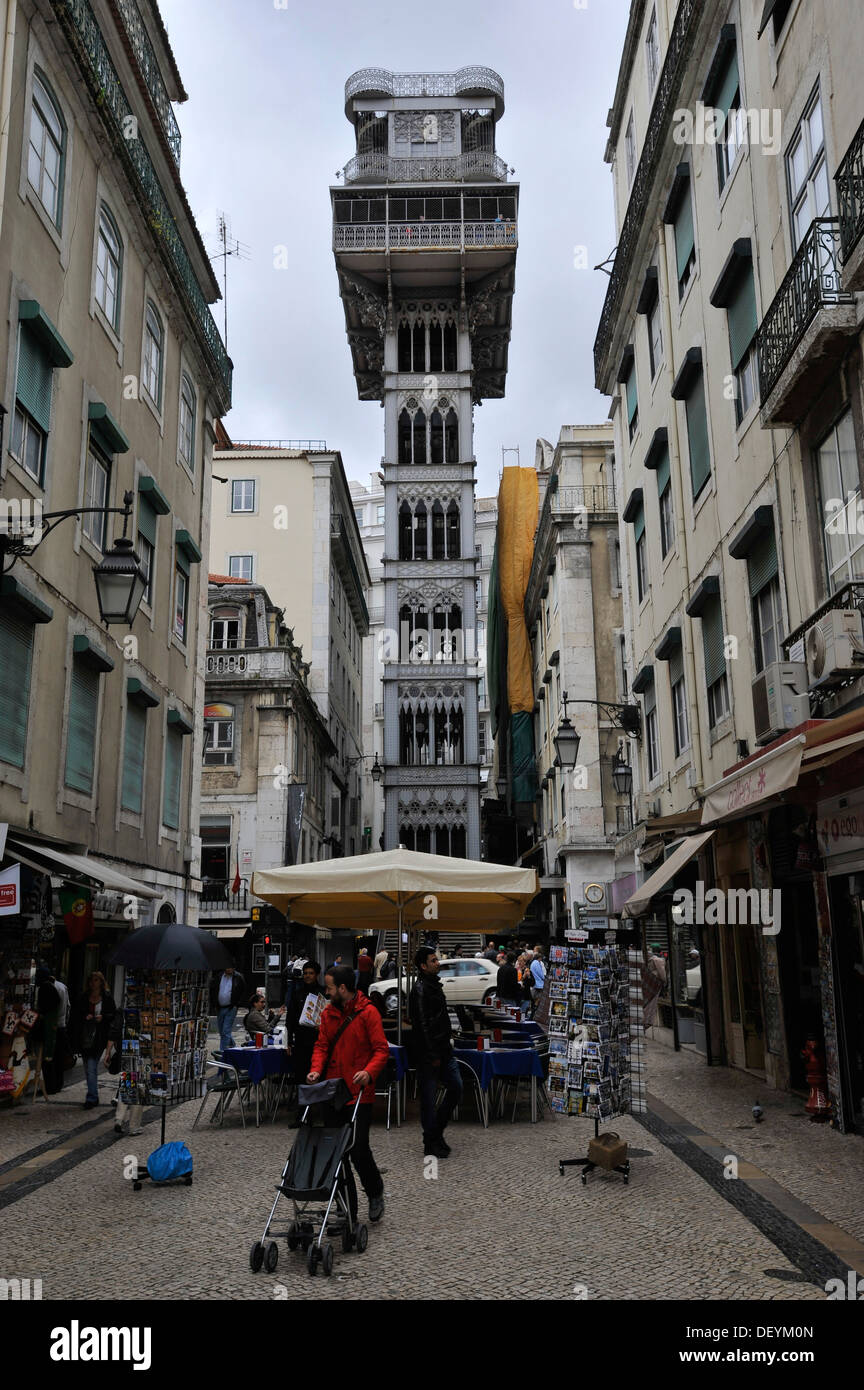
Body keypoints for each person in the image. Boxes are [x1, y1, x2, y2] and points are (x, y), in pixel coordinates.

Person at [308, 964, 389, 1224]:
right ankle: (344, 1206)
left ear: (342, 988)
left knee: (358, 1148)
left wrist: (368, 1072)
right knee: (336, 1151)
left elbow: (380, 1050)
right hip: (333, 1090)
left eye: (330, 987)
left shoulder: (369, 1013)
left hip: (358, 1092)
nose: (326, 991)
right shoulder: (328, 1013)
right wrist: (315, 1070)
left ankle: (375, 1191)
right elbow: (321, 1045)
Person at [409, 946, 463, 1160]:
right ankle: (430, 1141)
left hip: (443, 1049)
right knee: (429, 1100)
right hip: (429, 1053)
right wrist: (432, 1054)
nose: (438, 963)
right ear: (423, 966)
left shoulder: (434, 986)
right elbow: (421, 1024)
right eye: (433, 961)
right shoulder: (421, 989)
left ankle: (436, 1132)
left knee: (456, 1087)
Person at [286, 960, 327, 1125]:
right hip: (302, 1041)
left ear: (317, 974)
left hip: (319, 1041)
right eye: (306, 973)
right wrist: (289, 1041)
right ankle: (302, 1116)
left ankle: (324, 1114)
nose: (308, 976)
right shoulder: (297, 994)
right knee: (302, 1078)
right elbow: (290, 1019)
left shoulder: (324, 993)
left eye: (311, 973)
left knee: (322, 1077)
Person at [74, 971, 117, 1109]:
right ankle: (93, 1095)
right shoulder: (84, 997)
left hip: (99, 1036)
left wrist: (103, 1017)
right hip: (85, 1036)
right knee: (88, 1067)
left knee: (91, 1066)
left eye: (97, 980)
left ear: (101, 982)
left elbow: (113, 1015)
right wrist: (85, 1016)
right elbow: (76, 1013)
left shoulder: (107, 998)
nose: (94, 982)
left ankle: (92, 1097)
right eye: (92, 980)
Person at [32, 968, 60, 1094]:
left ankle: (48, 1086)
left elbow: (45, 1006)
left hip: (45, 1028)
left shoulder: (45, 988)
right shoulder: (53, 987)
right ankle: (50, 1086)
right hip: (50, 1027)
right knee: (48, 1060)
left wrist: (41, 1014)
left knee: (45, 1060)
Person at [212, 964, 246, 1055]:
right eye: (227, 967)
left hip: (231, 1007)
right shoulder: (219, 976)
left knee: (225, 1031)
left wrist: (237, 1004)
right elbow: (214, 989)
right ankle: (233, 1046)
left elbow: (243, 991)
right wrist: (214, 1004)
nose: (229, 969)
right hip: (220, 1007)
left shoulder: (238, 977)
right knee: (222, 1032)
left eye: (231, 967)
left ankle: (223, 1054)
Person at [643, 944, 668, 1029]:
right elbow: (662, 973)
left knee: (650, 1002)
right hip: (656, 983)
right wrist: (665, 982)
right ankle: (648, 1021)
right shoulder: (658, 960)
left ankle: (647, 1021)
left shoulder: (649, 959)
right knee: (653, 1002)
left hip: (649, 982)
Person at [529, 946, 547, 1011]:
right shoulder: (537, 963)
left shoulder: (533, 962)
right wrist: (544, 978)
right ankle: (535, 1008)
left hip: (535, 982)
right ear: (539, 958)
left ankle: (533, 1007)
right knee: (538, 998)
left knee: (535, 997)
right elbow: (540, 973)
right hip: (538, 983)